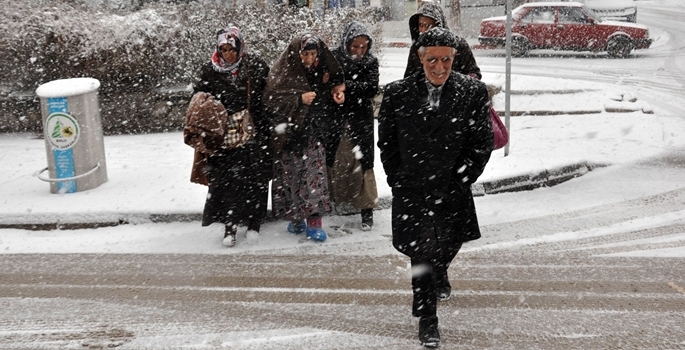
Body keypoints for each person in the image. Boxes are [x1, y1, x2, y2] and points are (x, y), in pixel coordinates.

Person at [377, 27, 493, 348]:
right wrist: (397, 178)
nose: (439, 67)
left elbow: (481, 143)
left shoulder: (472, 92)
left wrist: (461, 177)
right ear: (420, 58)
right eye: (431, 59)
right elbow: (387, 143)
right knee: (421, 254)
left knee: (449, 245)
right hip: (413, 191)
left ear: (454, 58)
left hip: (452, 188)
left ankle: (440, 270)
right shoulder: (397, 94)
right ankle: (428, 318)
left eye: (445, 59)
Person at [191, 25, 271, 247]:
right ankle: (231, 224)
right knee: (228, 181)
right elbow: (199, 98)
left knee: (256, 179)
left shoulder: (255, 66)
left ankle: (254, 222)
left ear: (240, 46)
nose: (228, 54)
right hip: (224, 136)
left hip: (253, 132)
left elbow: (267, 96)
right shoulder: (210, 70)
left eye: (232, 49)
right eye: (223, 49)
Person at [264, 32, 346, 241]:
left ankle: (314, 223)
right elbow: (271, 101)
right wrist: (298, 100)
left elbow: (331, 88)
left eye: (312, 53)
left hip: (313, 133)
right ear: (296, 53)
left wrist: (334, 90)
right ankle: (296, 219)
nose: (309, 59)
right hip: (289, 134)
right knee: (291, 178)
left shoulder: (321, 71)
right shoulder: (284, 72)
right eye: (305, 54)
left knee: (314, 178)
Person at [329, 21, 379, 231]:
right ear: (346, 42)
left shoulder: (370, 62)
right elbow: (326, 82)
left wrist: (346, 86)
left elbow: (371, 88)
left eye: (363, 47)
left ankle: (366, 211)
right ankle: (335, 202)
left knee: (364, 165)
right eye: (354, 46)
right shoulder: (333, 58)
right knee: (337, 160)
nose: (359, 51)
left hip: (360, 120)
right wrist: (336, 90)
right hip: (337, 119)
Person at [404, 1, 481, 80]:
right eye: (421, 25)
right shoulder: (416, 48)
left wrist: (459, 85)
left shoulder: (459, 45)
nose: (423, 30)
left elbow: (474, 73)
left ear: (438, 25)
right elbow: (408, 78)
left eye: (428, 25)